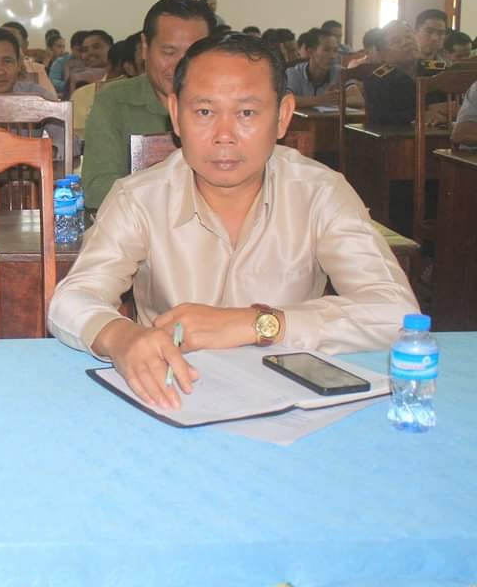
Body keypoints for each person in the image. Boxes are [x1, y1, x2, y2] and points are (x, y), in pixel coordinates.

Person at [48, 32, 418, 409]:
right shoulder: (139, 198)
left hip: (287, 399)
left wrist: (258, 324)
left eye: (246, 113)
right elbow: (71, 300)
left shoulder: (320, 192)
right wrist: (120, 337)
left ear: (282, 116)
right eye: (204, 112)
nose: (224, 136)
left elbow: (396, 314)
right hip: (174, 394)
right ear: (175, 114)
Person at [81, 0, 213, 209]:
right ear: (144, 47)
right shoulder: (114, 100)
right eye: (169, 52)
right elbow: (97, 189)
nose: (180, 66)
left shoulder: (230, 105)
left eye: (193, 54)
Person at [362, 20, 448, 126]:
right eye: (397, 41)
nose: (407, 42)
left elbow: (455, 104)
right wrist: (421, 115)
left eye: (409, 36)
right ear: (382, 54)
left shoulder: (440, 70)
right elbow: (380, 119)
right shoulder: (376, 80)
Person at [285, 28, 362, 109]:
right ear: (310, 52)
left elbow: (358, 99)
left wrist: (334, 99)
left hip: (330, 117)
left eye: (335, 51)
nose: (332, 56)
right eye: (326, 50)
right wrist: (321, 100)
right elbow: (286, 100)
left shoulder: (340, 72)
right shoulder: (293, 72)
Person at [1, 20, 57, 96]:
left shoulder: (36, 69)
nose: (5, 45)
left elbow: (51, 99)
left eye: (12, 41)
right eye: (1, 40)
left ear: (25, 45)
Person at [51, 29, 87, 97]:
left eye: (85, 50)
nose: (83, 54)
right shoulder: (60, 62)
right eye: (79, 50)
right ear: (71, 48)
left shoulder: (92, 61)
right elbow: (52, 81)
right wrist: (70, 86)